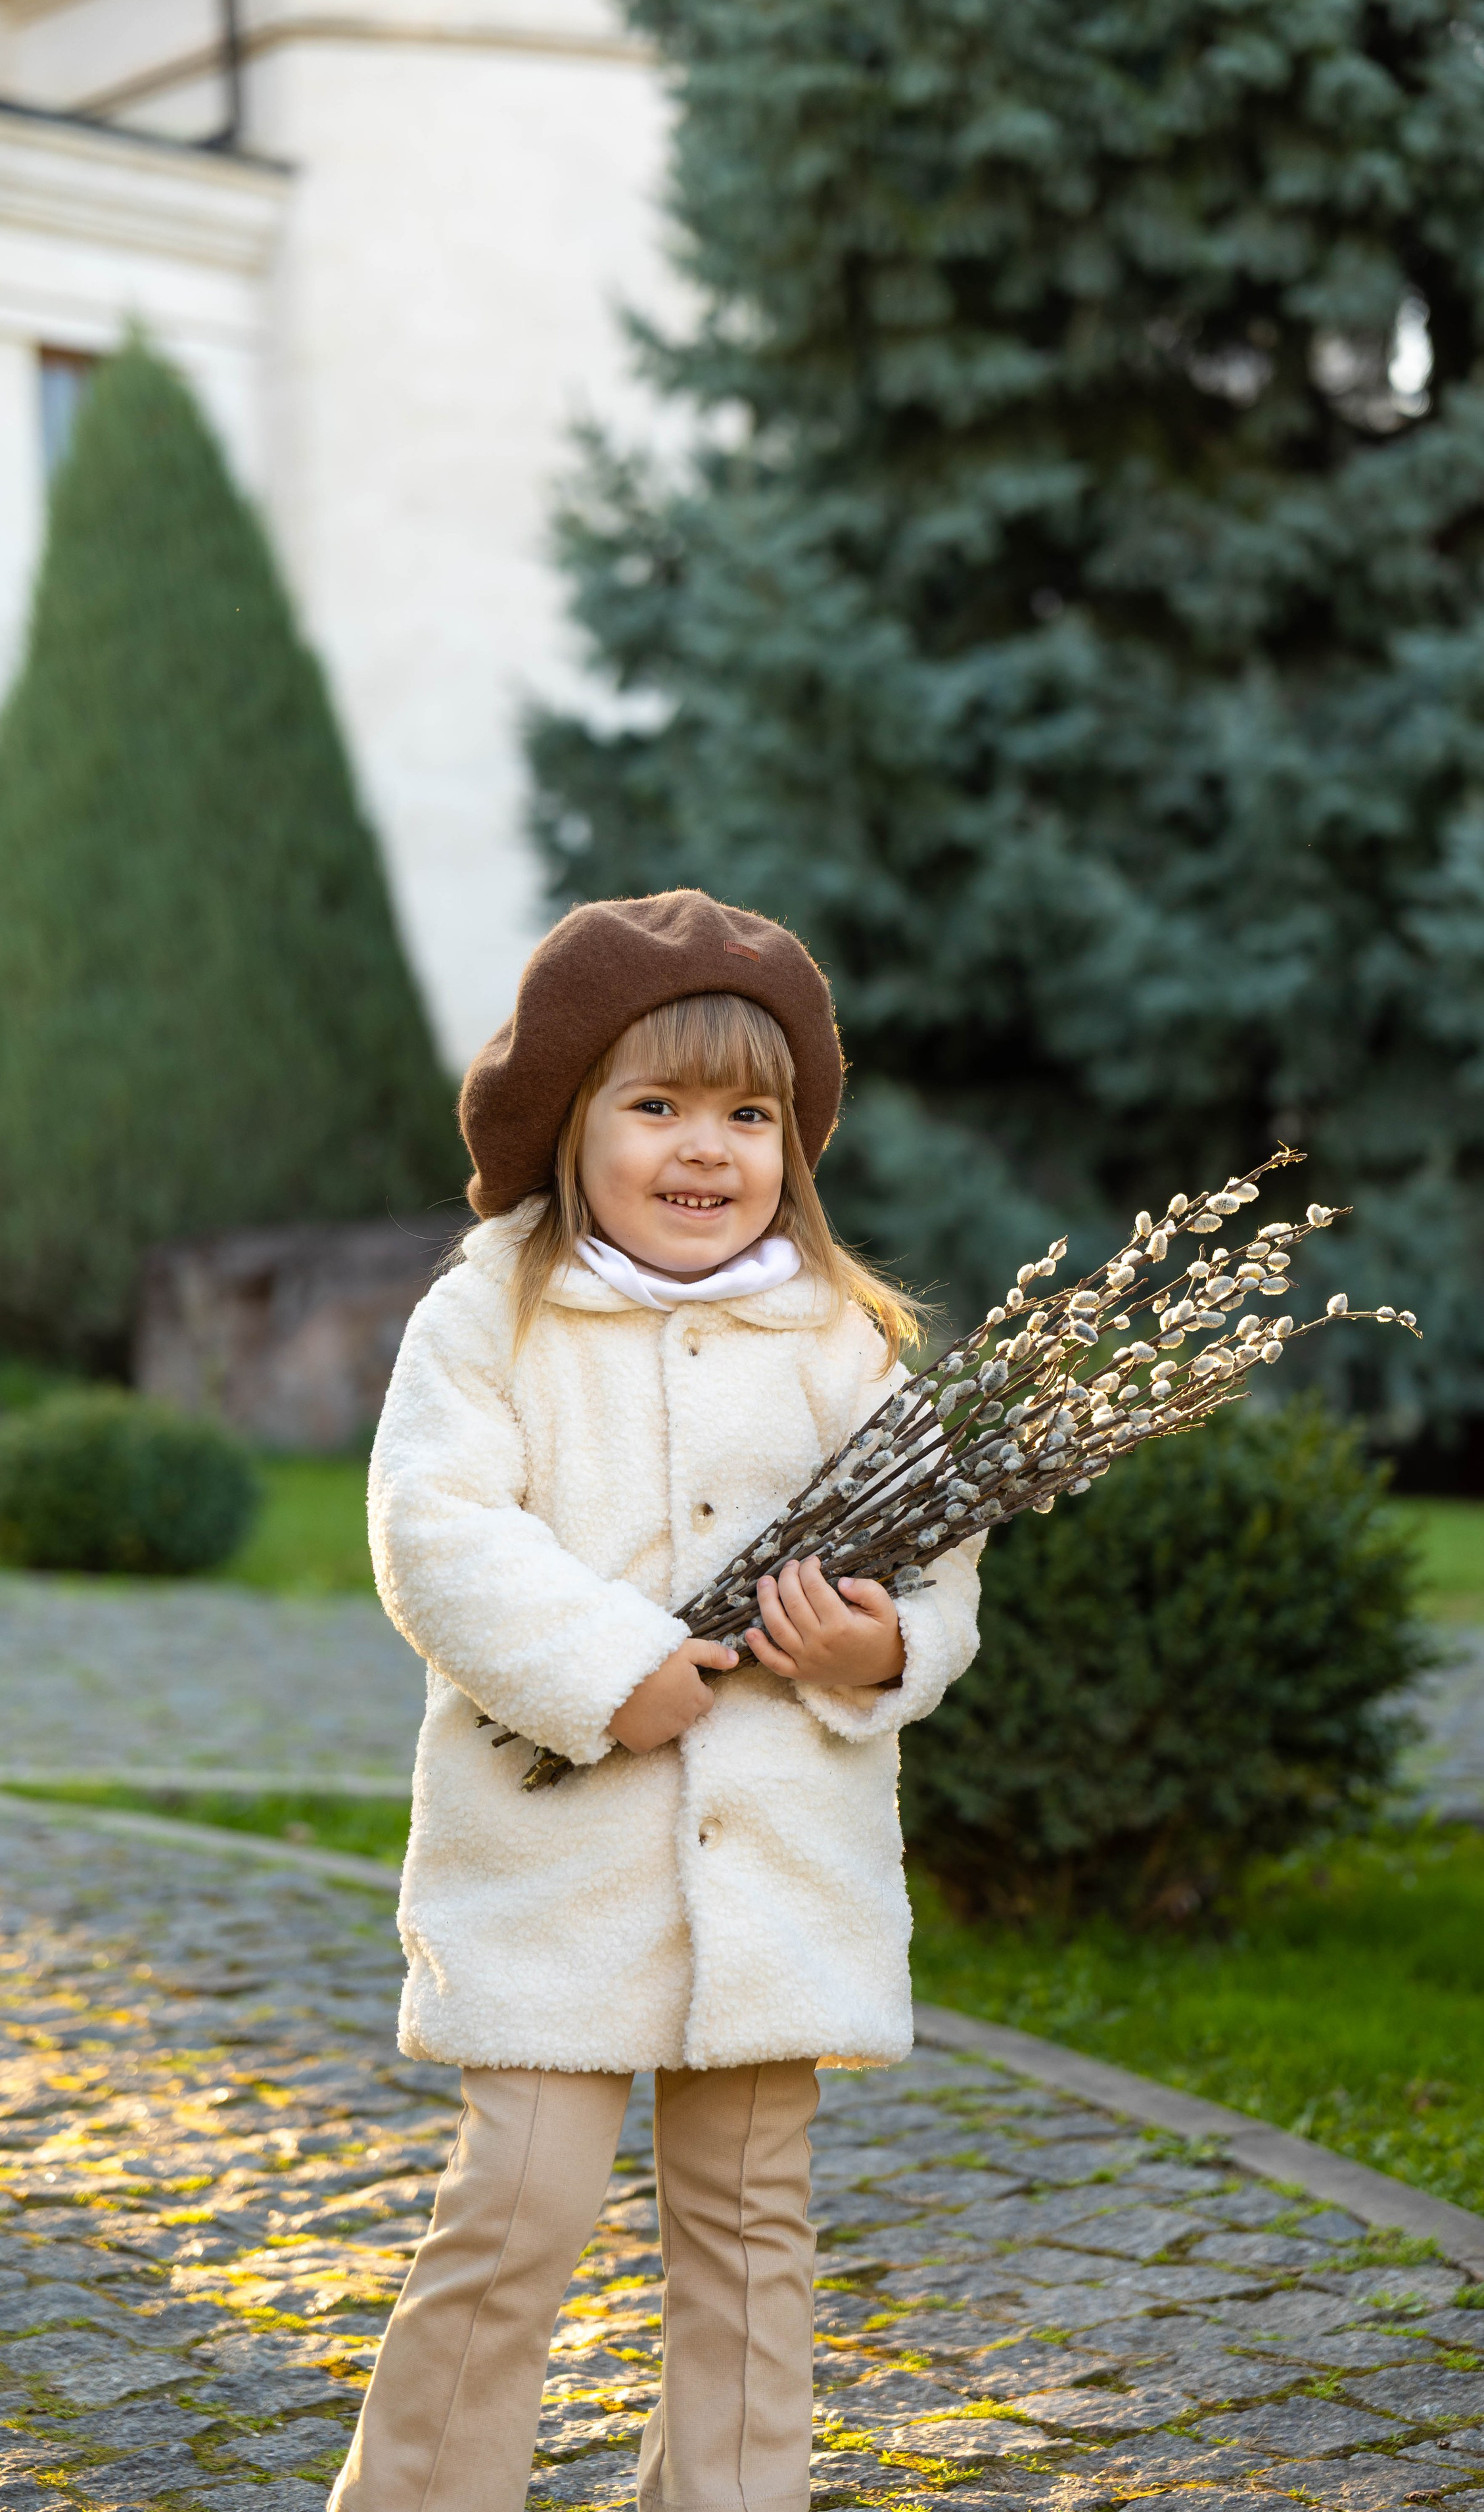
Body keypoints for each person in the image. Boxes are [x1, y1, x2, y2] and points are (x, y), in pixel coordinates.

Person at [329, 889, 984, 2512]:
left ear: (794, 1144)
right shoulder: (498, 1305)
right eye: (658, 1106)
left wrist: (876, 1652)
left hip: (776, 1878)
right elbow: (436, 1527)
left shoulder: (841, 1337)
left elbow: (940, 1559)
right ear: (570, 1125)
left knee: (752, 2232)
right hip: (551, 1879)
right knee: (517, 2211)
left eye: (747, 1114)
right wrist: (607, 1671)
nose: (706, 1149)